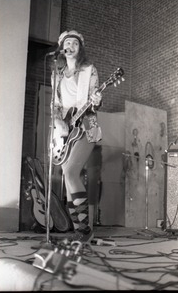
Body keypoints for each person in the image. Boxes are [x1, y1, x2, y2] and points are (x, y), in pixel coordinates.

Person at [50, 30, 102, 243]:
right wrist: (58, 121)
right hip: (66, 130)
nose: (70, 46)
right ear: (62, 48)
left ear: (80, 49)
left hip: (87, 125)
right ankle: (80, 230)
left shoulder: (89, 70)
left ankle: (84, 228)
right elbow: (55, 105)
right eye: (67, 43)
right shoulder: (58, 75)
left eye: (75, 44)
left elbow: (95, 99)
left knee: (71, 171)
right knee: (68, 175)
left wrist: (97, 99)